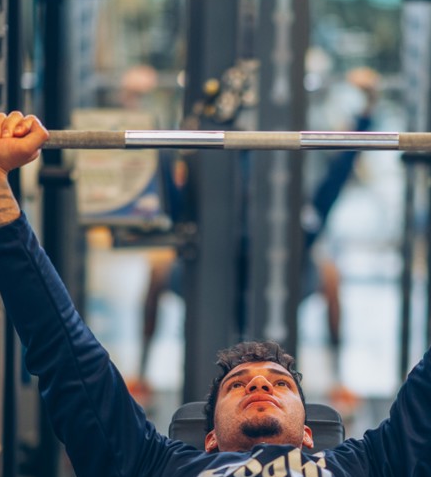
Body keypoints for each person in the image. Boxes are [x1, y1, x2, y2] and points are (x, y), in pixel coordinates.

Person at [0, 111, 431, 477]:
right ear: (206, 437)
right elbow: (64, 354)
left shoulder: (371, 475)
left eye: (279, 383)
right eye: (239, 384)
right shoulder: (154, 474)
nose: (259, 384)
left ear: (309, 433)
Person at [134, 67, 381, 411]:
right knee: (157, 272)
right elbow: (168, 181)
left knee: (331, 278)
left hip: (283, 267)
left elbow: (339, 172)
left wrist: (366, 110)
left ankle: (340, 380)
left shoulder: (291, 195)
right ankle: (141, 376)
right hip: (214, 263)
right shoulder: (214, 174)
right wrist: (141, 104)